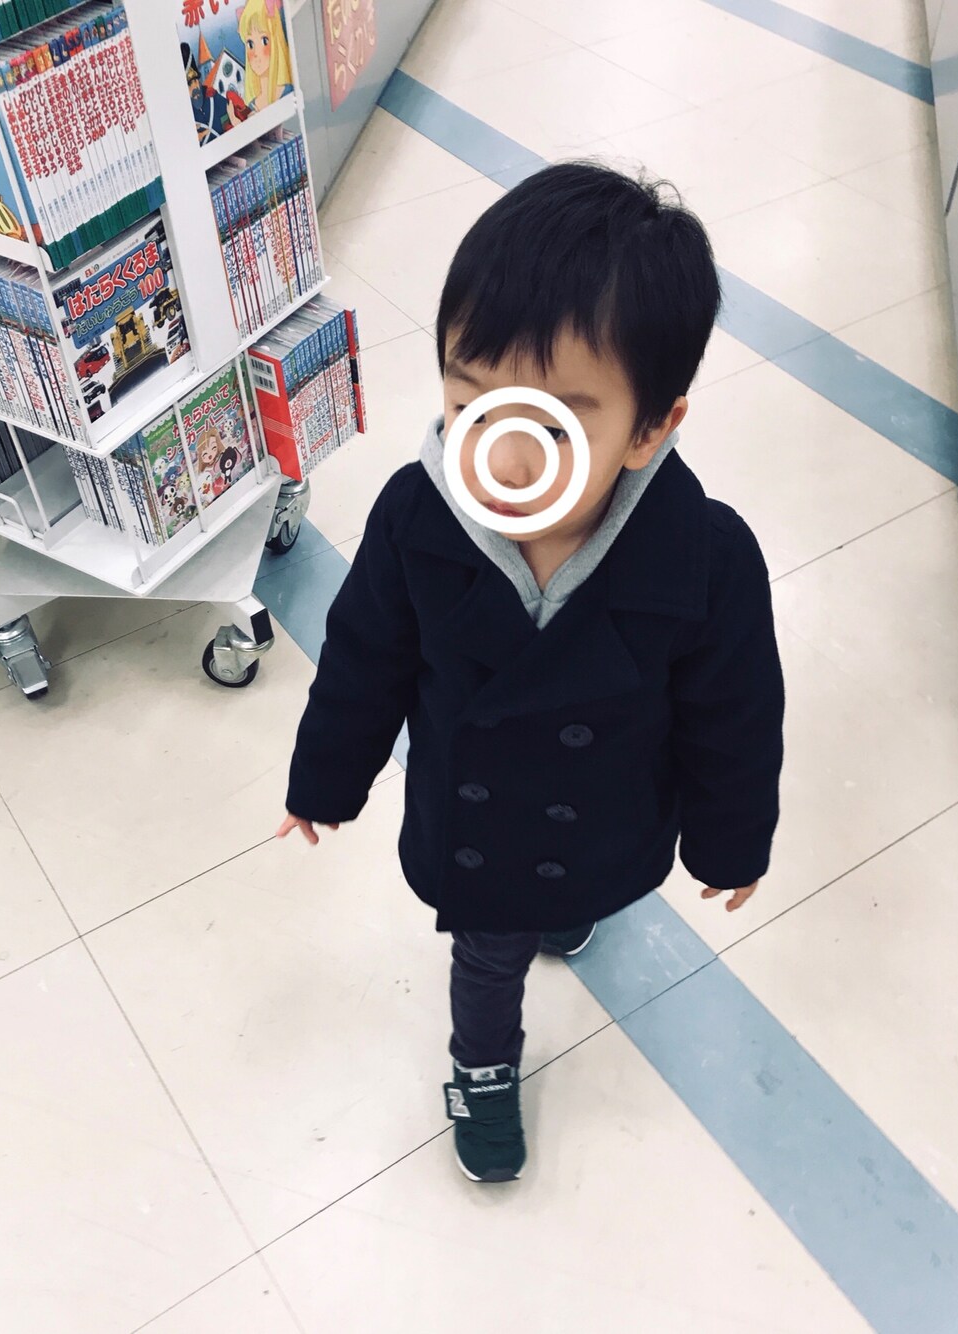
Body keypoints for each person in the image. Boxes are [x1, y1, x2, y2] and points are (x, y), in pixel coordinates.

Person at [278, 162, 786, 1185]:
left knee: (568, 887)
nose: (503, 461)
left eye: (554, 426)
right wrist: (324, 777)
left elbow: (733, 718)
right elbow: (365, 660)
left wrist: (731, 840)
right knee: (488, 951)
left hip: (606, 809)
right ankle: (482, 1065)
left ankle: (566, 905)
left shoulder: (707, 559)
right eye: (471, 401)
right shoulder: (417, 517)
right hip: (480, 824)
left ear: (652, 426)